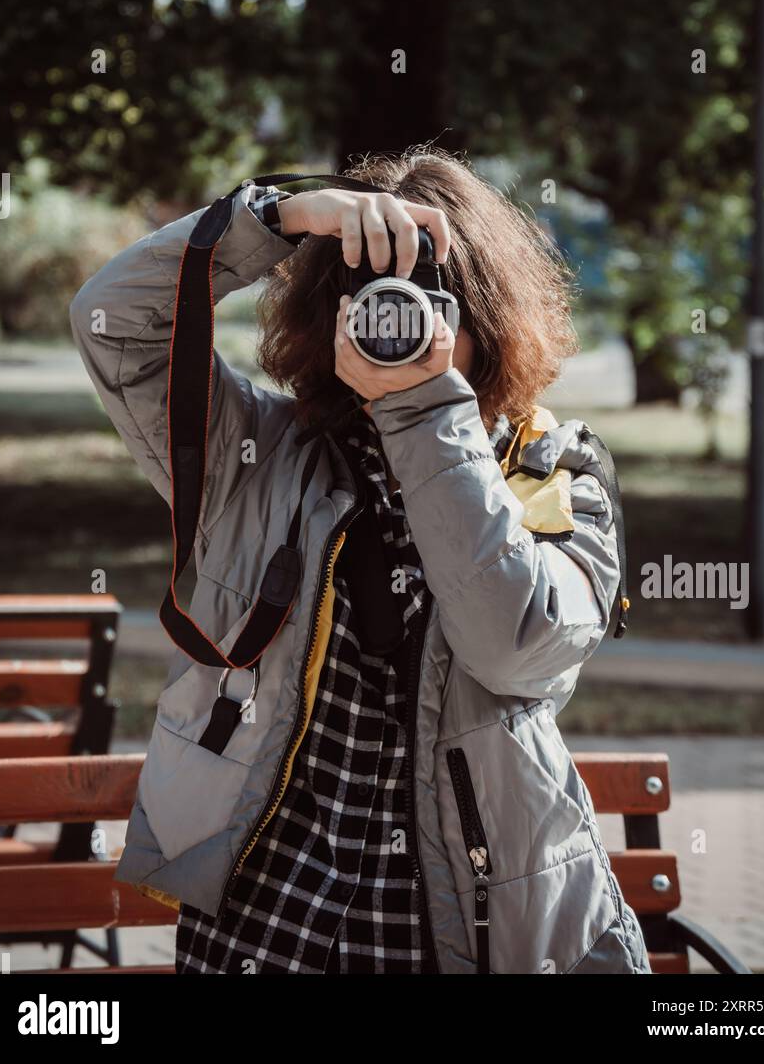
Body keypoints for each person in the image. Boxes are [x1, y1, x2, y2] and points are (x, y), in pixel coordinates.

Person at [69, 145, 651, 975]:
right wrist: (278, 218)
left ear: (483, 317)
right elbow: (110, 321)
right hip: (269, 931)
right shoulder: (259, 456)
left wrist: (422, 413)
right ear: (326, 314)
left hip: (466, 935)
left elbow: (516, 648)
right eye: (369, 294)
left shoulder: (555, 470)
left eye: (427, 296)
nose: (397, 314)